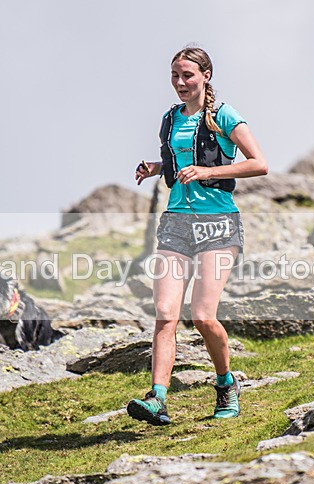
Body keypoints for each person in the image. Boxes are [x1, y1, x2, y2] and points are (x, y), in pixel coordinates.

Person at [128, 47, 268, 425]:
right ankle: (157, 398)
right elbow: (179, 162)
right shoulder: (170, 119)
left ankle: (226, 383)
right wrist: (158, 167)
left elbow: (260, 163)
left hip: (218, 224)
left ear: (206, 75)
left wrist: (205, 174)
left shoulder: (224, 115)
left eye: (187, 74)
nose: (179, 82)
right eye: (174, 75)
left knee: (203, 315)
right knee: (164, 315)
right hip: (176, 223)